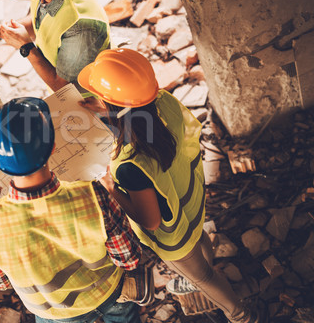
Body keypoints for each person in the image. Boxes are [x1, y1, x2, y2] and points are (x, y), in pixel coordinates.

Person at [77, 48, 266, 323]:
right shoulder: (163, 103)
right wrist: (107, 111)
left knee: (202, 276)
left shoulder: (132, 164)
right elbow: (138, 120)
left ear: (113, 105)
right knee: (199, 241)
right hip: (190, 202)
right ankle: (210, 268)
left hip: (173, 235)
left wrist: (112, 189)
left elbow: (151, 222)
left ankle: (241, 316)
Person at [0, 97, 142, 323]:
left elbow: (0, 283)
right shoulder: (93, 196)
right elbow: (129, 259)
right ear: (52, 148)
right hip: (109, 295)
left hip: (53, 314)